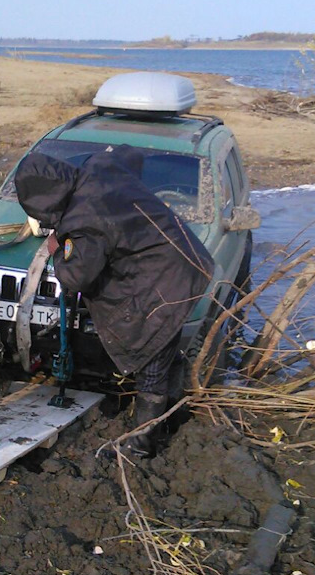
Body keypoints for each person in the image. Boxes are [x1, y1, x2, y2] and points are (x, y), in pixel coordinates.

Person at [15, 145, 214, 456]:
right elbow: (130, 155)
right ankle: (174, 414)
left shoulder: (85, 219)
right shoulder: (99, 165)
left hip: (165, 282)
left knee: (151, 360)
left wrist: (57, 250)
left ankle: (140, 448)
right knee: (166, 350)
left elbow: (77, 277)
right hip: (183, 255)